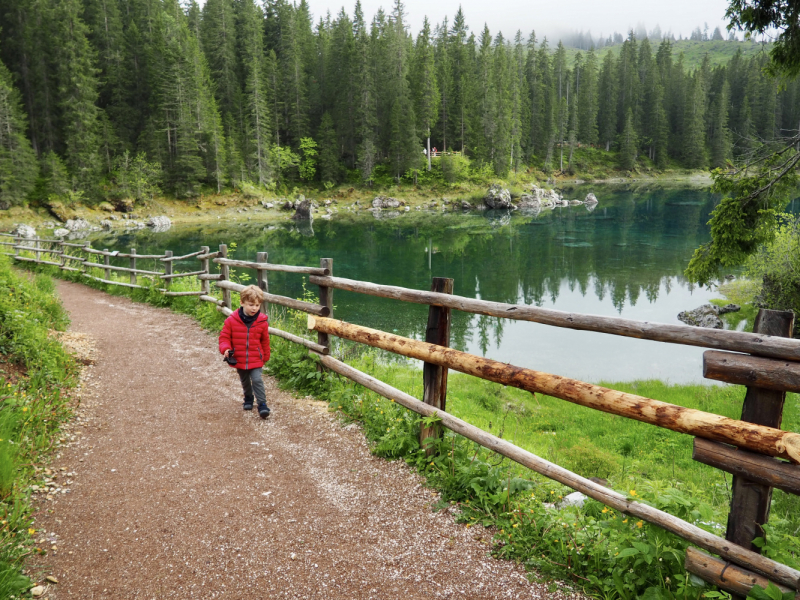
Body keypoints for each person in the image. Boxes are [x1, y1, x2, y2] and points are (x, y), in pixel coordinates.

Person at [219, 285, 271, 418]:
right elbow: (224, 337)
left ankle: (262, 405)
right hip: (239, 357)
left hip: (256, 357)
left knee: (257, 379)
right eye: (251, 305)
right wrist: (226, 349)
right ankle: (248, 397)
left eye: (257, 305)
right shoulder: (232, 320)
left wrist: (265, 355)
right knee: (245, 379)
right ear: (242, 303)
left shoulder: (262, 322)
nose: (254, 308)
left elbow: (265, 340)